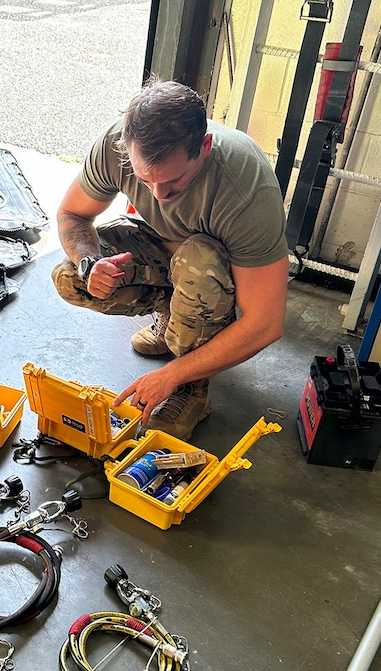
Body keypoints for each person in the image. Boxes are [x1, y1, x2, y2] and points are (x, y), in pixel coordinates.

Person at [52, 80, 288, 440]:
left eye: (173, 181)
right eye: (145, 181)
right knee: (70, 276)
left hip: (215, 271)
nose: (159, 196)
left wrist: (172, 374)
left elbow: (265, 323)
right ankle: (173, 317)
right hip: (165, 253)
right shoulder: (117, 144)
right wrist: (89, 263)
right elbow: (71, 214)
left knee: (197, 264)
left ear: (204, 147)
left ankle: (191, 386)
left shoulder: (247, 190)